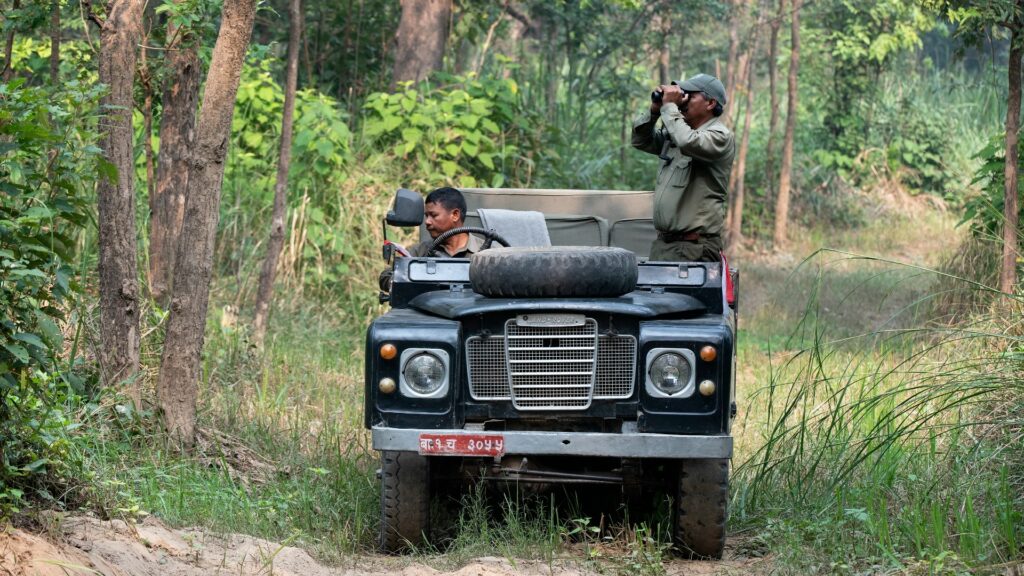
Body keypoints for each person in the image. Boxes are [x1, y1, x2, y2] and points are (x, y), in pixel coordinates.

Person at [632, 73, 735, 262]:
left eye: (690, 95)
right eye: (682, 94)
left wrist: (670, 107)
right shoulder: (676, 133)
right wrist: (655, 111)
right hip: (664, 245)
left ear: (711, 103)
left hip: (693, 249)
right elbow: (640, 141)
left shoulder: (720, 136)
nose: (683, 100)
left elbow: (688, 142)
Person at [406, 187, 484, 257]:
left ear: (455, 215)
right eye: (426, 216)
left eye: (434, 215)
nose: (427, 221)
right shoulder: (418, 253)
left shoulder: (487, 251)